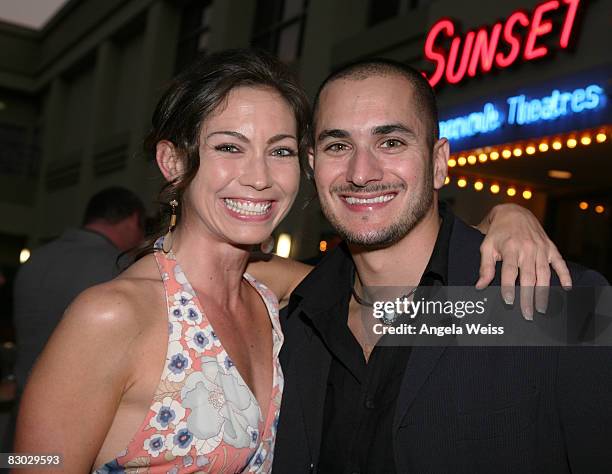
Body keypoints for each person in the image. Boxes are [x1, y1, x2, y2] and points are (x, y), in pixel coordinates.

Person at [15, 50, 571, 473]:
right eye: (229, 147)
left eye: (279, 150)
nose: (259, 176)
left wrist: (505, 215)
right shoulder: (112, 315)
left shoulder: (281, 300)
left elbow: (407, 286)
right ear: (172, 160)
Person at [272, 59, 611, 473]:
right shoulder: (292, 324)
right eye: (338, 146)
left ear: (438, 162)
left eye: (391, 142)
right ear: (312, 164)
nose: (361, 173)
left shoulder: (555, 303)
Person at [13, 186, 145, 393]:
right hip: (77, 406)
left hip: (24, 396)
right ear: (133, 219)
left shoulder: (36, 258)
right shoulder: (122, 268)